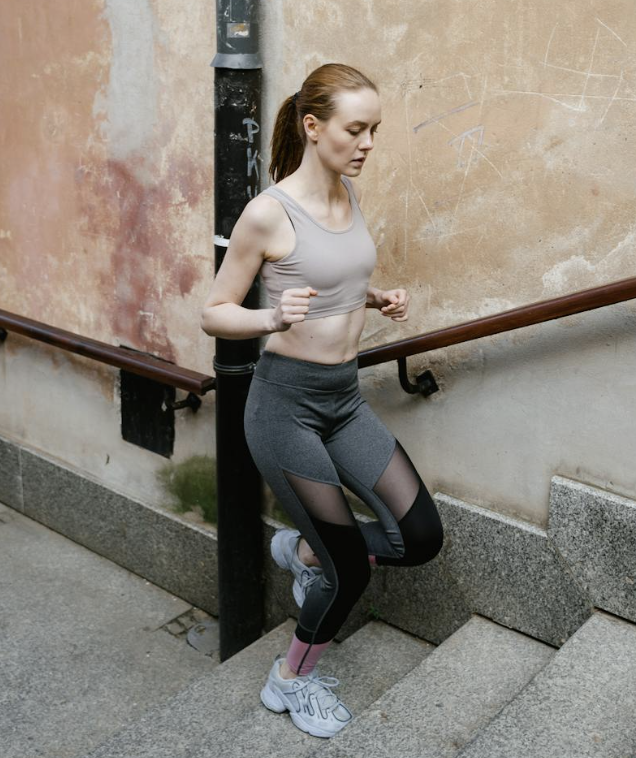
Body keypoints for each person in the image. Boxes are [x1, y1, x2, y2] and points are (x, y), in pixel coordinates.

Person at [200, 62, 444, 739]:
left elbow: (332, 274)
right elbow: (214, 313)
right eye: (355, 129)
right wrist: (271, 320)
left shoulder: (346, 194)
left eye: (374, 131)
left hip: (343, 401)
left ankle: (305, 552)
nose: (367, 143)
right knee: (350, 575)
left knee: (419, 537)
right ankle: (291, 680)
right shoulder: (267, 213)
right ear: (313, 127)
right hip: (286, 410)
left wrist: (374, 296)